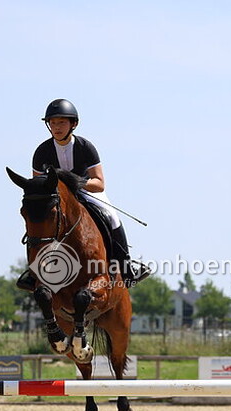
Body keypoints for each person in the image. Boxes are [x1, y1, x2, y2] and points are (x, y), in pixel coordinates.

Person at [17, 98, 151, 291]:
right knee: (37, 219)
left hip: (86, 192)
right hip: (57, 198)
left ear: (73, 124)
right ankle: (33, 273)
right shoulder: (42, 151)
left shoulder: (85, 147)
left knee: (112, 216)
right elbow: (39, 186)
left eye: (61, 122)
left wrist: (76, 183)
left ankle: (126, 266)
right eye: (53, 123)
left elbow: (99, 183)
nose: (56, 127)